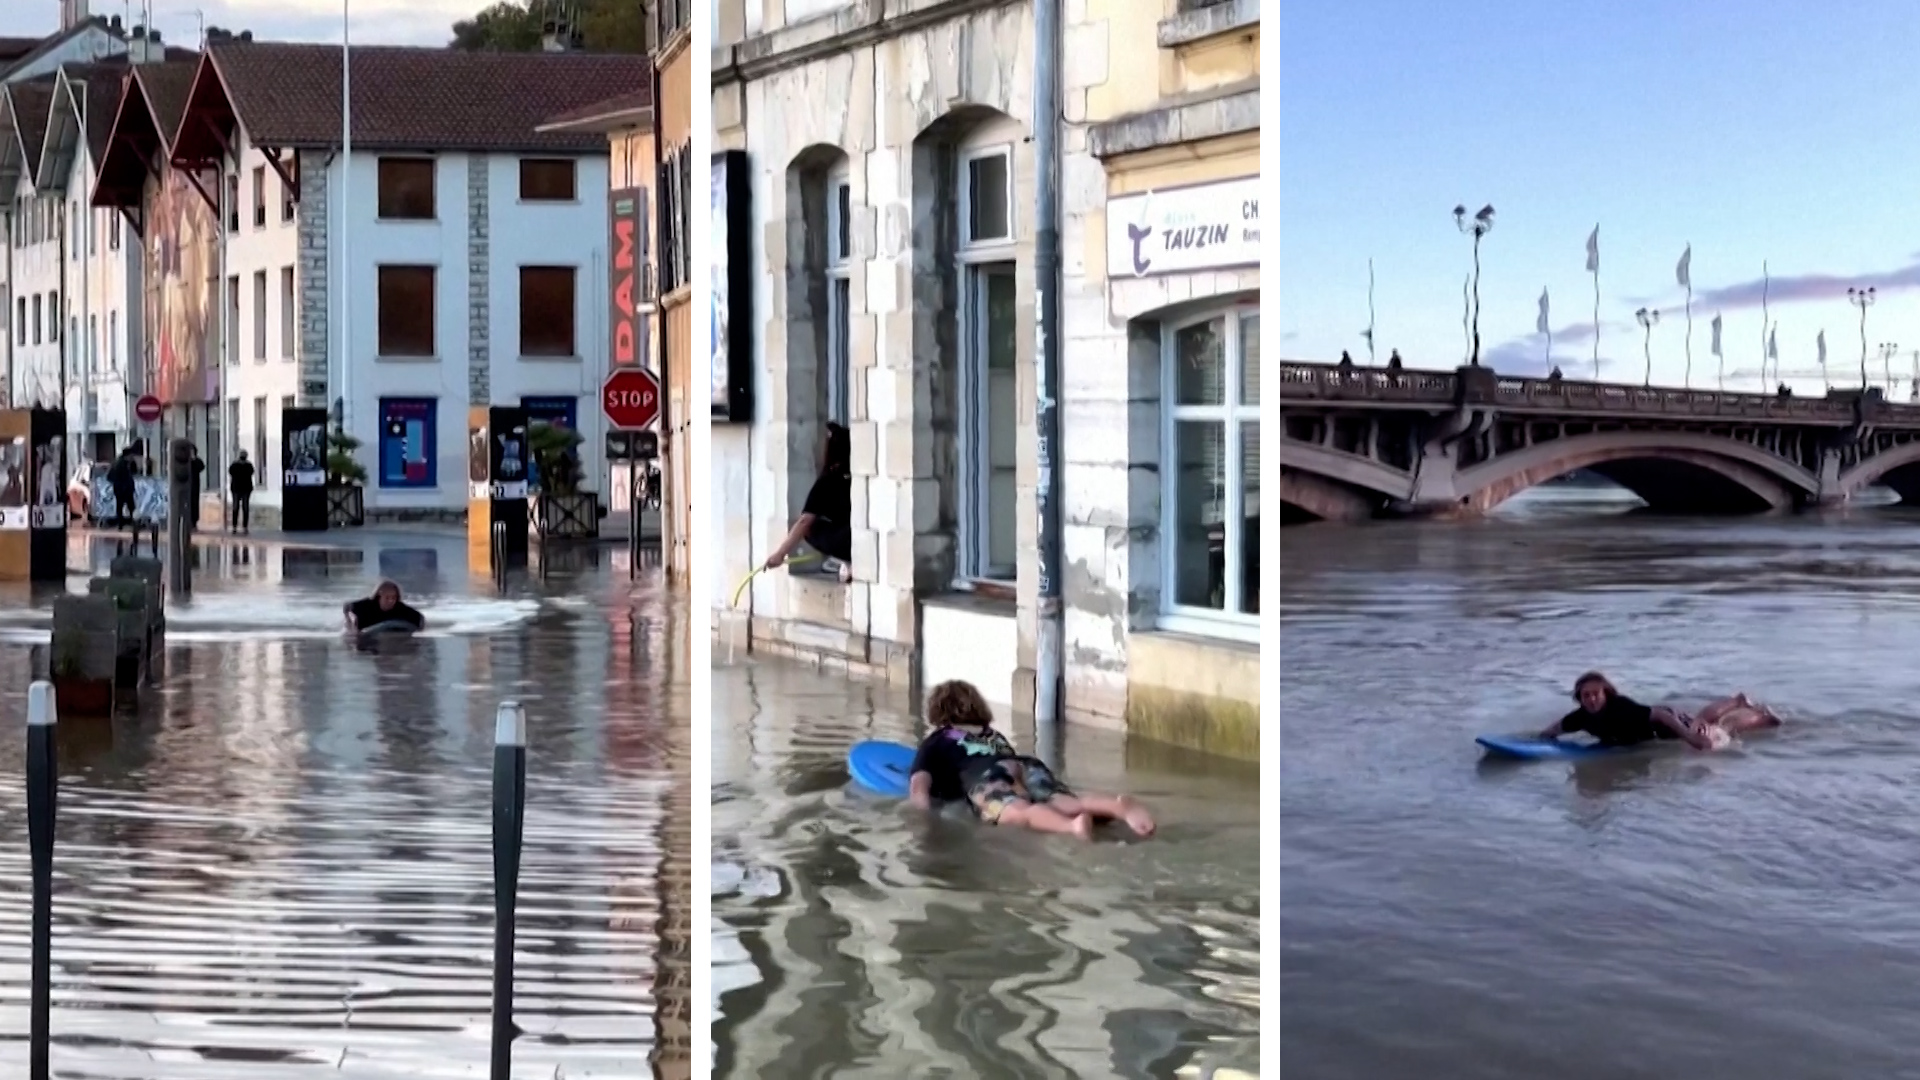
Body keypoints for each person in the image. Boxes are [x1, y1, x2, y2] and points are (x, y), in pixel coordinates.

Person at [906, 680, 1156, 840]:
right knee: (1063, 801)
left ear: (938, 713)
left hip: (988, 777)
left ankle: (1072, 828)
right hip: (1025, 765)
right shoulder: (992, 734)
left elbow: (919, 789)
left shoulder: (937, 740)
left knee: (1019, 813)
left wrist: (927, 822)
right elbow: (1005, 764)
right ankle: (1117, 807)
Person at [1538, 671, 1781, 751]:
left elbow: (1659, 715)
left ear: (1605, 694)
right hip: (1656, 728)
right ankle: (1737, 699)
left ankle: (1763, 716)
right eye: (1585, 695)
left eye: (1595, 694)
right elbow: (1554, 730)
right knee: (1703, 717)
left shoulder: (1621, 708)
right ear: (1579, 698)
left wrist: (1690, 737)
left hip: (1667, 724)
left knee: (1720, 727)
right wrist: (1538, 740)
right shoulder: (1579, 717)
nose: (1590, 699)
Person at [764, 421, 853, 583]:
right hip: (859, 537)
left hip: (848, 542)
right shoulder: (856, 477)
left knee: (811, 529)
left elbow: (805, 521)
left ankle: (847, 561)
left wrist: (780, 554)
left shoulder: (828, 481)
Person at [342, 580, 426, 632]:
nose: (391, 601)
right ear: (379, 596)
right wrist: (349, 621)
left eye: (394, 597)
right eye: (387, 598)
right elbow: (347, 607)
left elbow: (420, 618)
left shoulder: (400, 608)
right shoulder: (367, 605)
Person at [106, 447, 137, 528]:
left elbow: (134, 471)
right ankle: (123, 523)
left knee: (128, 506)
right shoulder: (120, 464)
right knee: (123, 506)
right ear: (128, 455)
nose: (132, 457)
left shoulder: (126, 463)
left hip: (125, 489)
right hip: (122, 489)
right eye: (131, 455)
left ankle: (127, 522)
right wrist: (120, 485)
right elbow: (111, 476)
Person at [228, 450, 255, 533]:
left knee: (236, 507)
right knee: (244, 507)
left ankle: (235, 526)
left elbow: (231, 472)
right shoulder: (248, 465)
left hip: (237, 488)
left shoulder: (235, 465)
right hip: (244, 489)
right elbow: (251, 473)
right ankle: (244, 526)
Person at [188, 448, 206, 531]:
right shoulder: (185, 461)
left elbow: (201, 467)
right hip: (186, 485)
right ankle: (188, 521)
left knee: (194, 503)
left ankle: (194, 521)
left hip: (195, 485)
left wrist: (194, 459)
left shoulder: (197, 461)